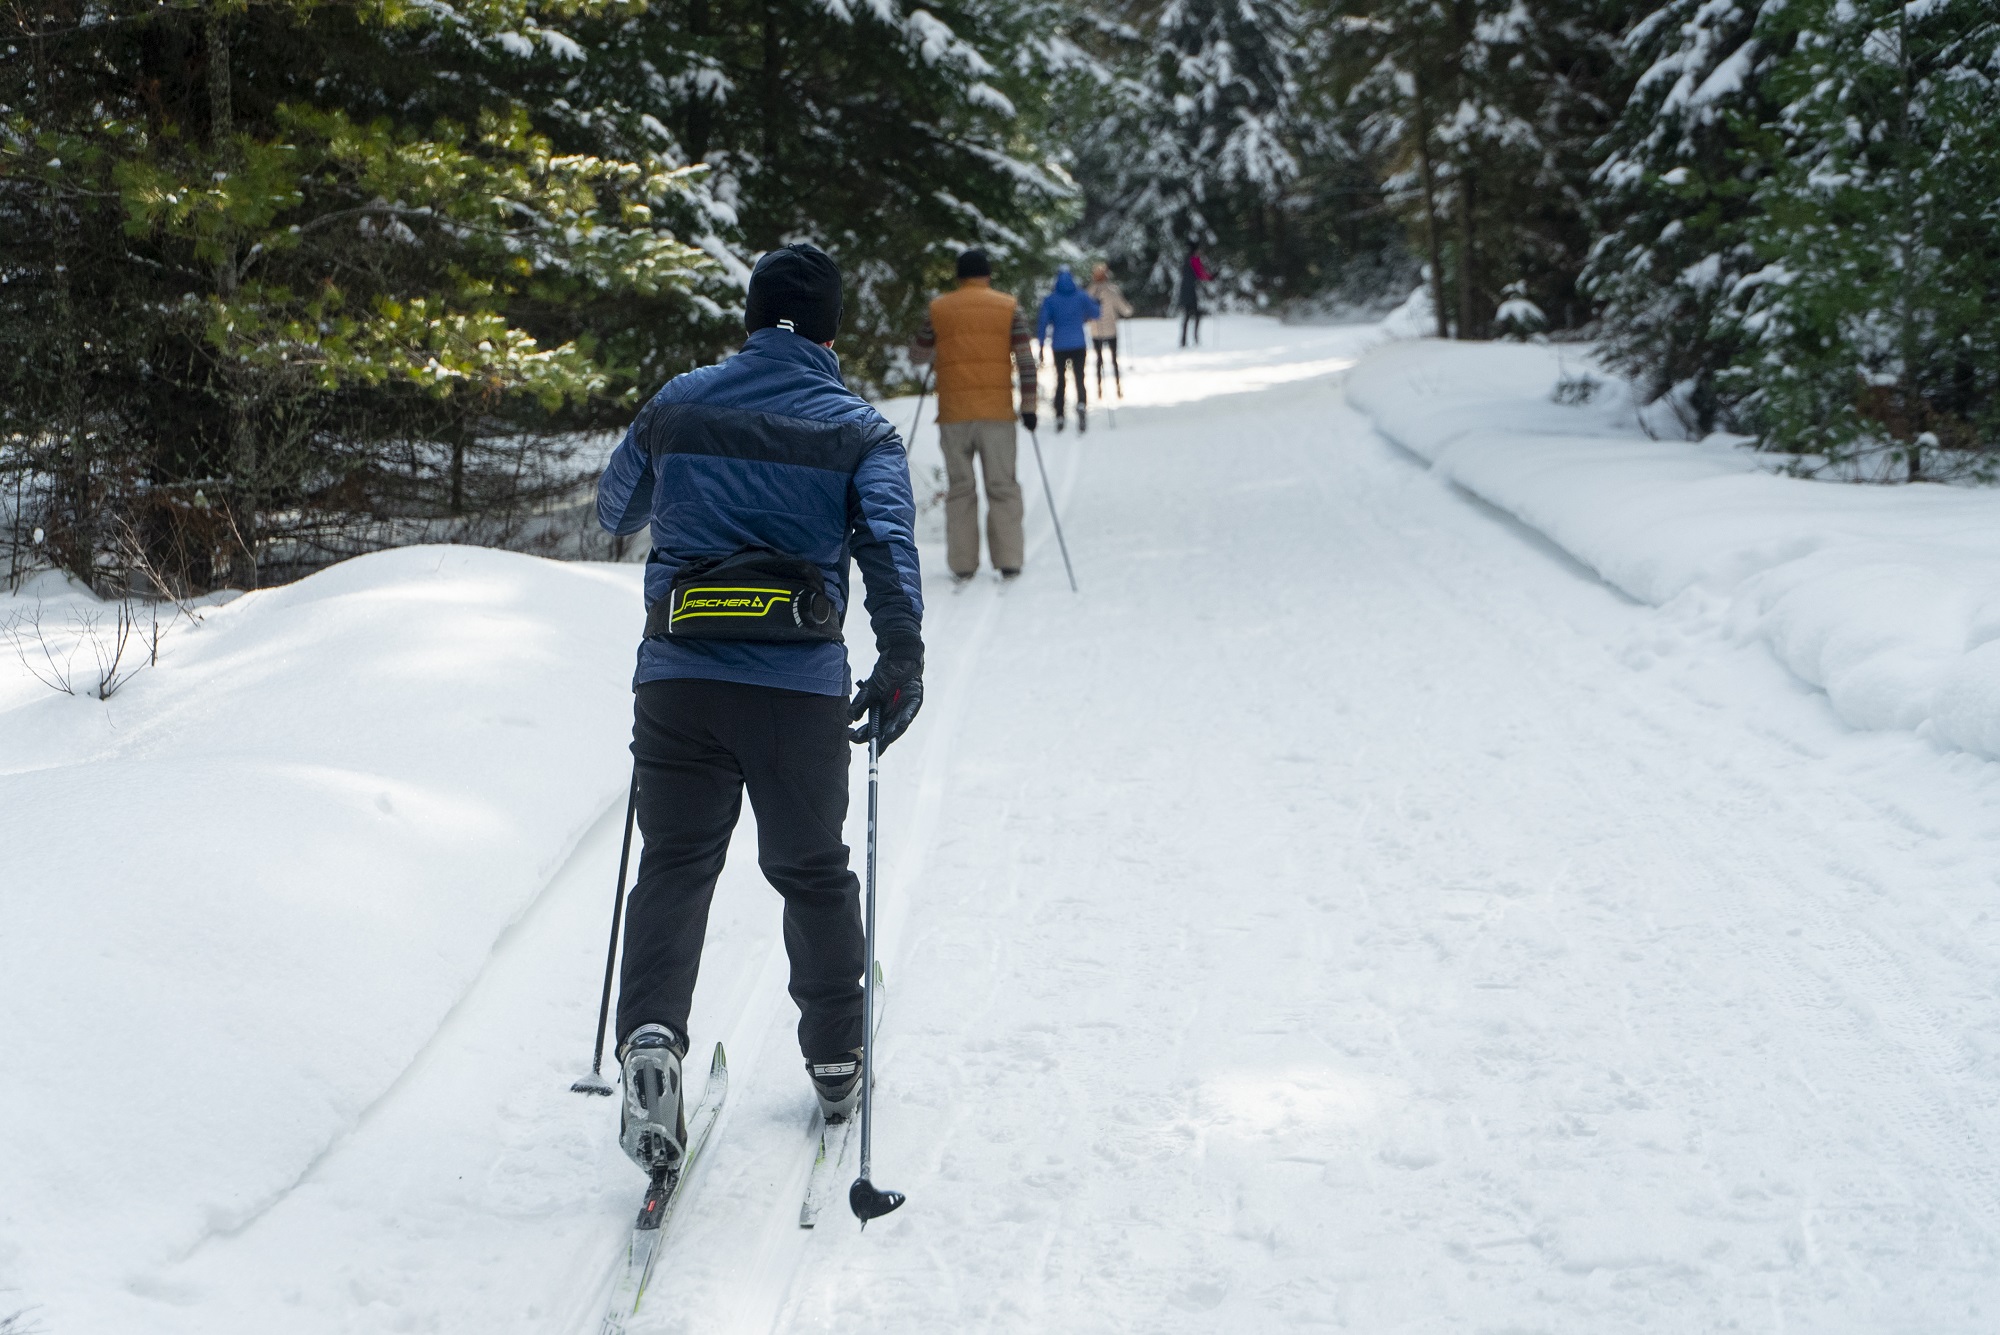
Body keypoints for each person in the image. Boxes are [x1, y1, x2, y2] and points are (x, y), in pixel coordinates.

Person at [594, 243, 925, 1176]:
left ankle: (652, 1040)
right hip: (795, 688)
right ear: (830, 330)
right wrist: (902, 657)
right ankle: (834, 1056)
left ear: (748, 315)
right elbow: (888, 546)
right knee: (812, 868)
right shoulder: (858, 428)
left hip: (678, 681)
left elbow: (616, 510)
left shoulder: (679, 400)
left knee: (675, 863)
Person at [909, 247, 1038, 583]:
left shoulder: (938, 309)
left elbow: (918, 356)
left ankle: (963, 564)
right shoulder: (1008, 307)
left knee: (961, 488)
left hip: (953, 414)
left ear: (958, 276)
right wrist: (1029, 407)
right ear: (988, 274)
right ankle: (1009, 559)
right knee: (1002, 486)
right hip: (997, 414)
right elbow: (1026, 360)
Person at [1036, 265, 1101, 433]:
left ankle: (1059, 414)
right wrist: (1096, 304)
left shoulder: (1051, 299)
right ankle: (1081, 405)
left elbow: (1043, 322)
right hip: (1078, 343)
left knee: (1061, 380)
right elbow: (1095, 314)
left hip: (1059, 345)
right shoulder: (1081, 296)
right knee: (1080, 377)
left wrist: (1042, 344)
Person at [1085, 262, 1134, 399]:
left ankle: (1099, 389)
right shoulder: (1112, 291)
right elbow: (1124, 309)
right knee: (1113, 359)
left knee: (1098, 360)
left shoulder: (1089, 292)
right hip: (1111, 330)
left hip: (1096, 331)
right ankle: (1118, 388)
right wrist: (1129, 310)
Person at [1177, 243, 1212, 347]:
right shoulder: (1194, 260)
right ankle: (1195, 338)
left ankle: (1183, 340)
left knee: (1187, 316)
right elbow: (1200, 274)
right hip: (1192, 291)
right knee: (1197, 315)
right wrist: (1211, 277)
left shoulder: (1186, 260)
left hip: (1184, 291)